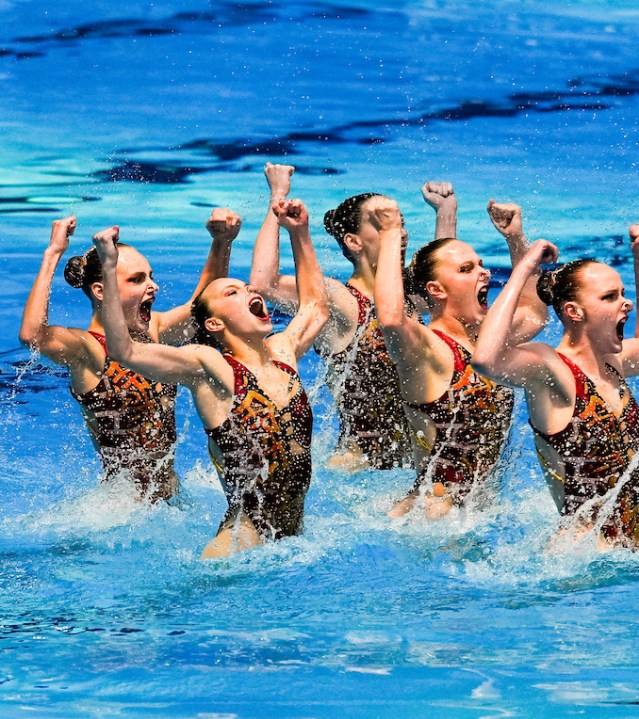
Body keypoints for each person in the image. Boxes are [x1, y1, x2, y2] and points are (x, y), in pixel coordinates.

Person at [94, 199, 329, 558]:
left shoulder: (283, 353)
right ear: (214, 324)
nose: (250, 293)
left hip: (295, 539)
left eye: (248, 289)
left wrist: (300, 233)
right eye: (232, 292)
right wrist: (109, 267)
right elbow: (125, 351)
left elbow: (315, 307)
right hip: (241, 547)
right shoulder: (211, 367)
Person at [18, 210, 239, 502]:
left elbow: (202, 309)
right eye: (136, 279)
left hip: (172, 500)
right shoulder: (88, 348)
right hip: (123, 511)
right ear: (101, 290)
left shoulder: (153, 330)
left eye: (150, 276)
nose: (153, 286)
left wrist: (221, 241)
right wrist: (53, 253)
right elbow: (32, 336)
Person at [473, 224, 639, 549]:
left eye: (622, 293)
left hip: (630, 554)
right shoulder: (551, 370)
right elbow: (486, 361)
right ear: (573, 312)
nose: (626, 303)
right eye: (609, 297)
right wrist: (524, 268)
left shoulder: (612, 364)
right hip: (579, 565)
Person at [250, 166, 452, 471]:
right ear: (353, 241)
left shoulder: (408, 298)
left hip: (413, 459)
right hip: (357, 467)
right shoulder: (341, 301)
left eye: (398, 221)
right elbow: (265, 284)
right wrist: (278, 198)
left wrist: (446, 212)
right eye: (381, 222)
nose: (398, 229)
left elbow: (446, 280)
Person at [373, 195, 548, 520]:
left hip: (475, 515)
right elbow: (392, 319)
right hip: (431, 522)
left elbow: (535, 313)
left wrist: (514, 238)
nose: (482, 273)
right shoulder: (428, 348)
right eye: (467, 269)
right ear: (437, 290)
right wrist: (390, 233)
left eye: (481, 265)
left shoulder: (487, 342)